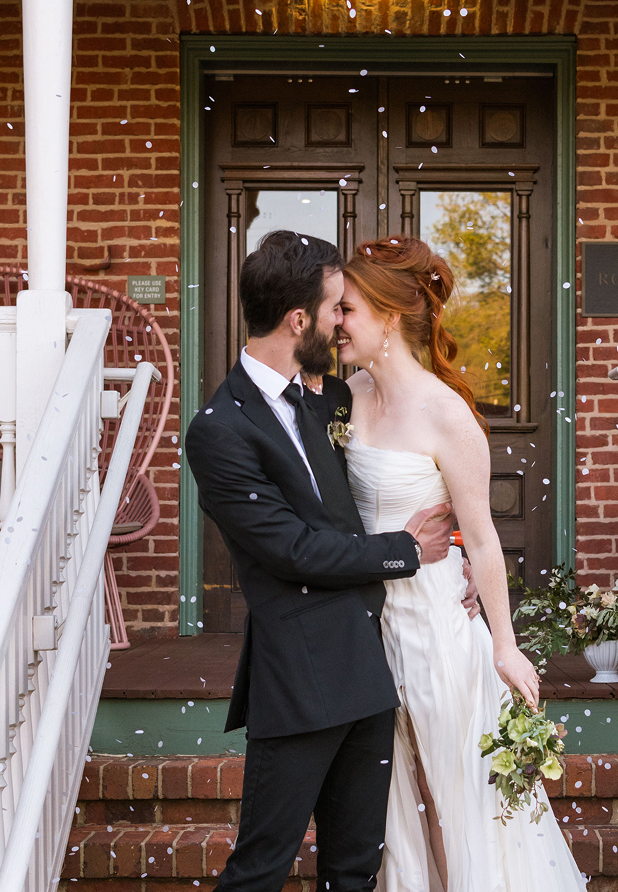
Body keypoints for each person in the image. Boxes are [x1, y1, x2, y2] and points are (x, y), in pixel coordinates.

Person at [184, 230, 455, 892]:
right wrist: (404, 553)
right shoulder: (219, 430)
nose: (342, 323)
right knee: (260, 867)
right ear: (298, 319)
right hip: (300, 677)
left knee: (355, 865)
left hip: (368, 667)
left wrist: (459, 559)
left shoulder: (331, 402)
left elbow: (395, 476)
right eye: (336, 307)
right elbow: (288, 549)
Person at [337, 236, 588, 892]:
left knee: (452, 797)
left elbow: (480, 542)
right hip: (364, 628)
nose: (335, 322)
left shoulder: (446, 415)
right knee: (391, 805)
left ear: (390, 317)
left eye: (348, 310)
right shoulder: (351, 396)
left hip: (435, 630)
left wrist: (504, 646)